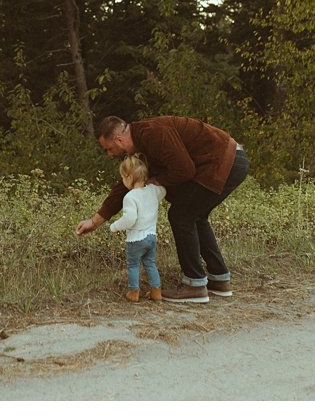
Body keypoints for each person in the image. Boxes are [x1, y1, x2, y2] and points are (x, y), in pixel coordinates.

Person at [78, 115, 249, 303]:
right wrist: (94, 222)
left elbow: (184, 169)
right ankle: (219, 280)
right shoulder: (141, 146)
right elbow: (125, 186)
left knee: (181, 216)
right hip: (228, 161)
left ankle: (195, 285)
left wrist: (157, 181)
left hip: (226, 161)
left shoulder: (153, 134)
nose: (110, 154)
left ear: (119, 140)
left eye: (109, 149)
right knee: (194, 216)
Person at [110, 154, 165, 302]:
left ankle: (133, 292)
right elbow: (163, 191)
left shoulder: (130, 197)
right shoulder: (153, 191)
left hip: (136, 239)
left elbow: (130, 219)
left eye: (123, 177)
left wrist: (114, 227)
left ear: (128, 177)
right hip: (151, 237)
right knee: (150, 264)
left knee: (133, 265)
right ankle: (156, 291)